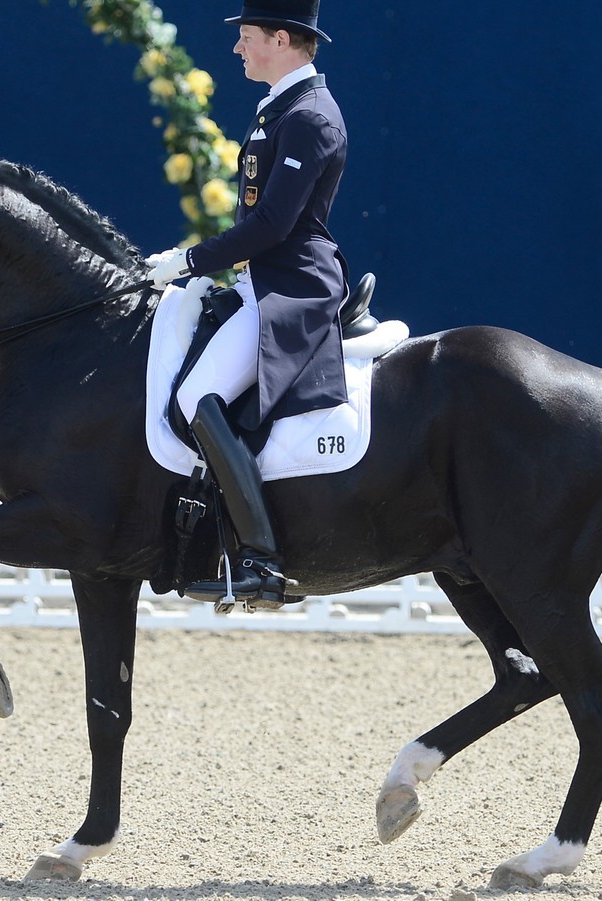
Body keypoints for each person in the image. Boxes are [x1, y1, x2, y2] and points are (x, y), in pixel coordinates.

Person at [145, 0, 349, 607]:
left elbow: (271, 225)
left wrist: (189, 260)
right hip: (261, 279)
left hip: (293, 283)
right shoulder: (280, 109)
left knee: (195, 397)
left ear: (281, 40)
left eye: (248, 37)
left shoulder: (310, 116)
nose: (238, 47)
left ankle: (261, 560)